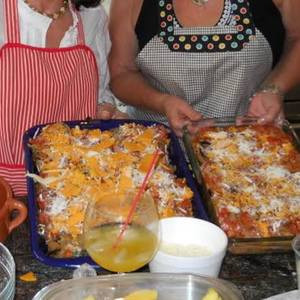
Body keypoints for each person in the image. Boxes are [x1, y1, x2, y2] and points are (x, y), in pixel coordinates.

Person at [108, 0, 300, 136]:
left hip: (248, 140)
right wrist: (162, 102)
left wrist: (275, 88)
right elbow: (121, 72)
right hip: (157, 145)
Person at [0, 0, 124, 196]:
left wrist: (105, 109)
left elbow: (99, 91)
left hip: (71, 190)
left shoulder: (92, 15)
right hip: (4, 196)